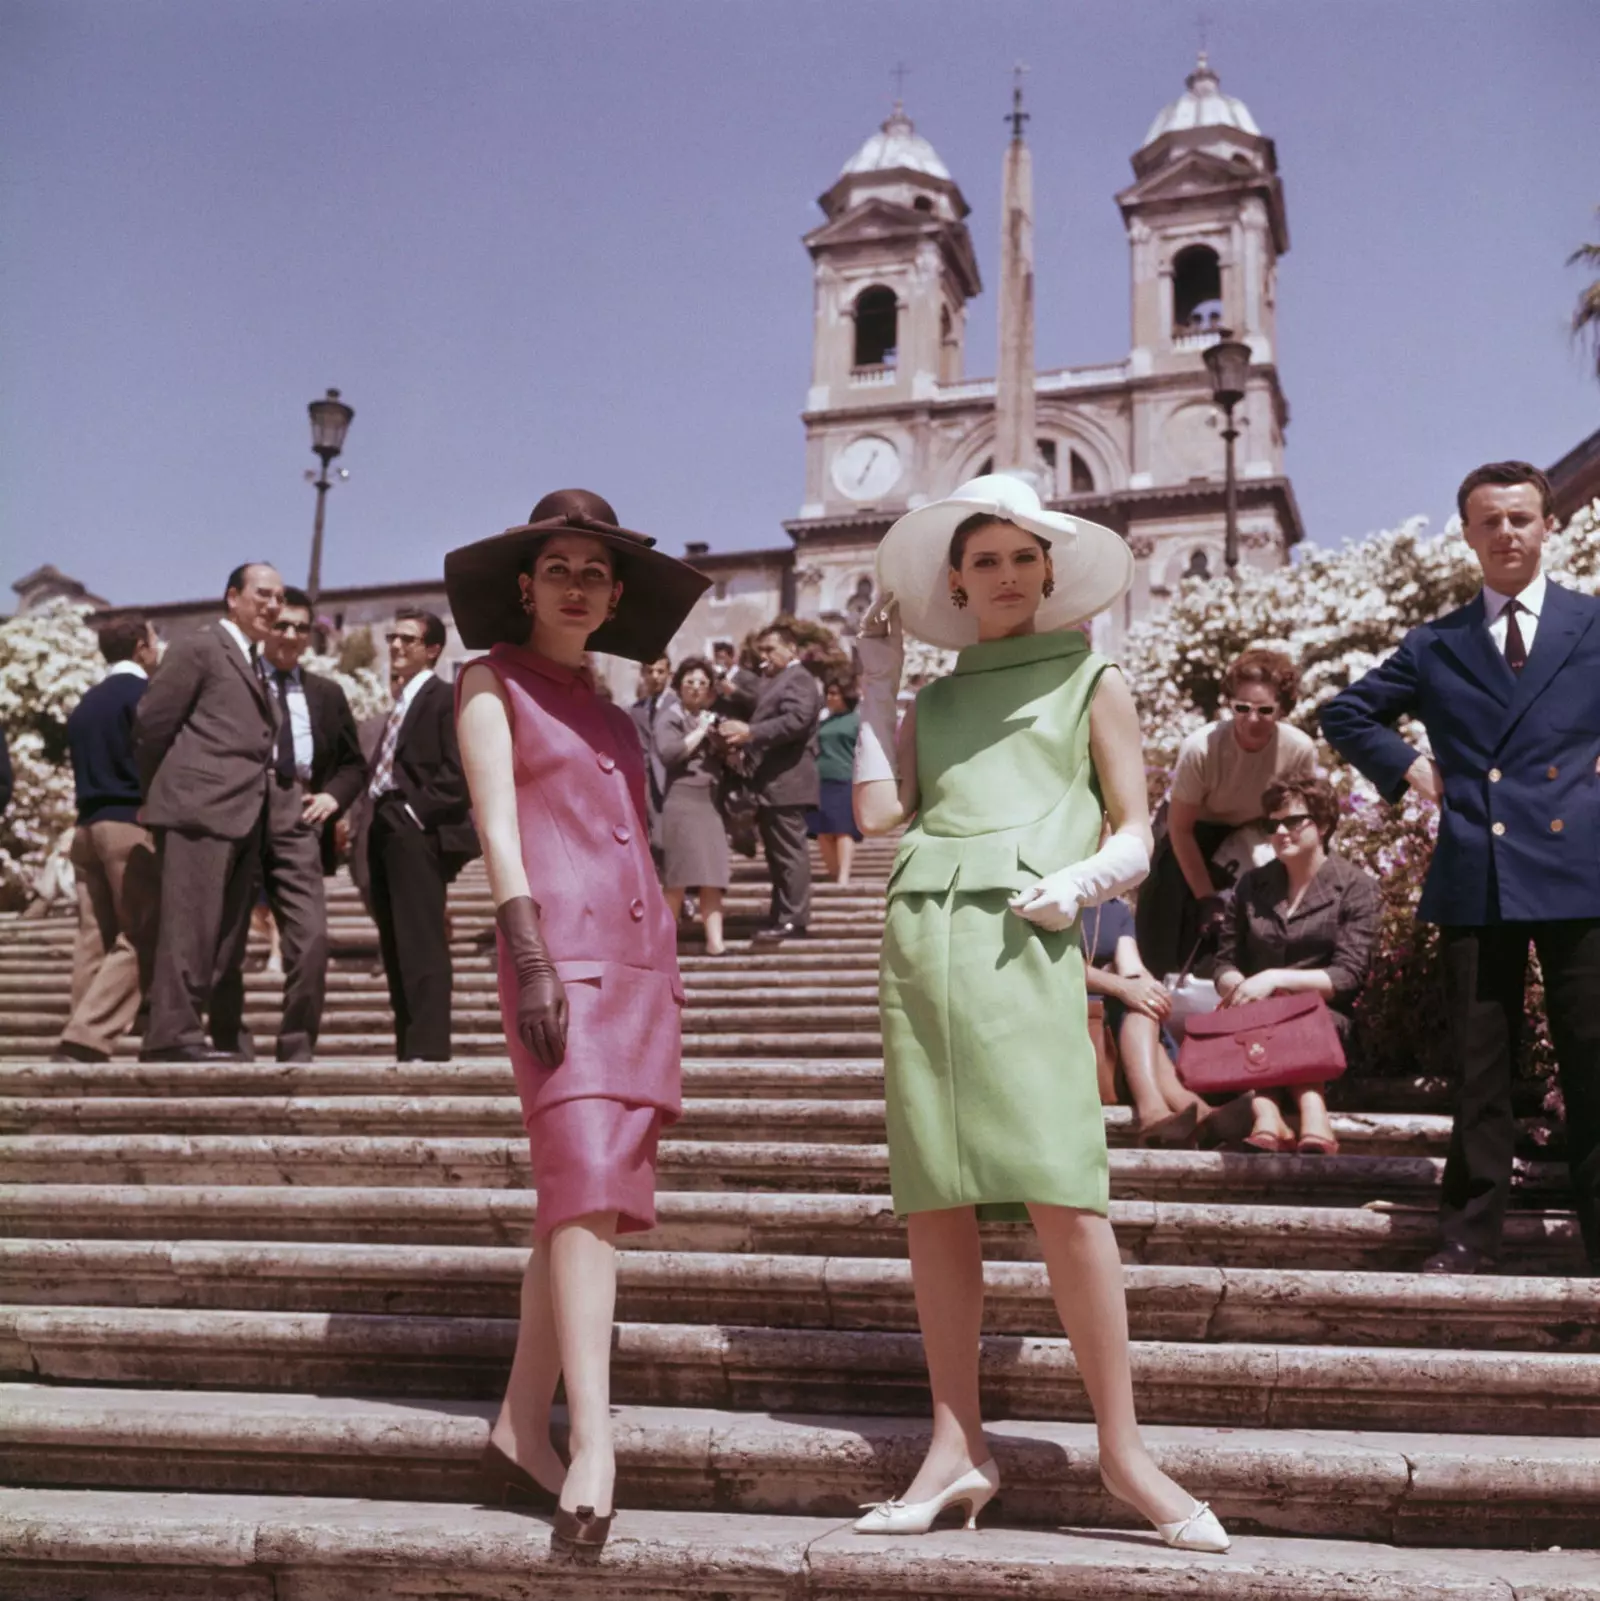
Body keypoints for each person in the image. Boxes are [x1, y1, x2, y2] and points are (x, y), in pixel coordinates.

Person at [852, 473, 1228, 1553]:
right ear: (957, 582)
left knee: (1066, 1192)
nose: (1006, 575)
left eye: (1023, 556)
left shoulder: (1091, 677)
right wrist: (875, 690)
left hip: (1029, 933)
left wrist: (1084, 882)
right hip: (924, 940)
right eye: (984, 560)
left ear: (1050, 570)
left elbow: (1135, 828)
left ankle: (1123, 1450)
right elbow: (880, 813)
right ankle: (954, 1442)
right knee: (934, 1198)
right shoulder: (939, 696)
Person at [446, 486, 709, 1552]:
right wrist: (531, 956)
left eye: (595, 571)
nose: (576, 583)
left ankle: (519, 1422)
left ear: (613, 595)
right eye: (557, 565)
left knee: (582, 1195)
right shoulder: (485, 679)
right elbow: (498, 830)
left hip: (641, 965)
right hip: (558, 960)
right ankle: (591, 1435)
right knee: (589, 1183)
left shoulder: (612, 706)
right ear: (524, 583)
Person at [1322, 459, 1600, 1277]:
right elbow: (1346, 711)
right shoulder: (1436, 642)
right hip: (1479, 872)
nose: (1507, 533)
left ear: (1548, 527)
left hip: (1582, 870)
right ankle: (1468, 1239)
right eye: (1490, 521)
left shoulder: (1592, 622)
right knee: (1480, 1071)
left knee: (1594, 1059)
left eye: (1521, 518)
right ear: (1469, 534)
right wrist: (1411, 768)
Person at [134, 562, 284, 1062]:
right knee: (189, 928)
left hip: (243, 812)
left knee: (223, 937)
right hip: (198, 810)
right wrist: (168, 792)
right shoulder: (200, 647)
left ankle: (197, 1032)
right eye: (262, 594)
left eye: (279, 598)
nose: (273, 605)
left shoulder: (255, 661)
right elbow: (153, 723)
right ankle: (170, 1035)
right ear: (232, 598)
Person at [214, 587, 366, 1062]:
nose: (291, 635)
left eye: (302, 627)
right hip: (237, 812)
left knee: (312, 938)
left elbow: (352, 764)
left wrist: (332, 797)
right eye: (282, 625)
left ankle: (297, 1044)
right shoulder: (235, 680)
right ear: (266, 628)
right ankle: (228, 1040)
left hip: (296, 814)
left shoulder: (326, 694)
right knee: (225, 939)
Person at [1212, 776, 1381, 1155]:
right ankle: (1310, 1116)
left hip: (1326, 1023)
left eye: (1293, 821)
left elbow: (1348, 976)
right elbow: (1223, 962)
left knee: (1287, 1009)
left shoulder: (1356, 887)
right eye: (1272, 825)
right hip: (1253, 1020)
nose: (1281, 832)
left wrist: (1274, 980)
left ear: (1322, 825)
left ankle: (1269, 1113)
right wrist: (1238, 984)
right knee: (1268, 1011)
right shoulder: (1251, 886)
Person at [1136, 649, 1316, 980]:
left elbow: (1300, 818)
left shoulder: (1298, 749)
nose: (1252, 719)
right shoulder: (1202, 747)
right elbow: (1181, 829)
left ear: (1283, 709)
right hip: (1188, 834)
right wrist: (1207, 897)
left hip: (1250, 834)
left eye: (1265, 710)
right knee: (1167, 934)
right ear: (1230, 704)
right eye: (1242, 708)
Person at [366, 607, 477, 1062]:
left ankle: (429, 1049)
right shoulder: (400, 702)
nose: (395, 646)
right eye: (393, 637)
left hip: (415, 827)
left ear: (432, 650)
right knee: (393, 942)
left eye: (407, 639)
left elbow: (459, 770)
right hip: (383, 824)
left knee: (421, 940)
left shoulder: (443, 696)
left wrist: (415, 811)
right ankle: (408, 1045)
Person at [53, 614, 162, 1063]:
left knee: (94, 936)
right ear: (140, 646)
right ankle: (88, 1035)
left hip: (85, 827)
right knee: (144, 931)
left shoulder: (86, 702)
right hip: (127, 823)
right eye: (155, 639)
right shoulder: (144, 697)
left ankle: (82, 1025)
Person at [718, 624, 823, 945]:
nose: (763, 657)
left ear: (790, 648)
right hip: (771, 781)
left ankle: (793, 919)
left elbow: (796, 720)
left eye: (769, 649)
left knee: (789, 852)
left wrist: (750, 733)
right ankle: (782, 916)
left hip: (787, 781)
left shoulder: (800, 678)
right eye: (761, 650)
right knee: (778, 855)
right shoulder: (775, 681)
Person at [656, 656, 730, 955]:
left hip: (708, 801)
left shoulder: (713, 718)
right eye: (690, 683)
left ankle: (717, 943)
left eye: (702, 683)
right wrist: (700, 732)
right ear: (679, 686)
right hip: (682, 801)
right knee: (678, 877)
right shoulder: (669, 717)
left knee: (712, 876)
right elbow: (669, 753)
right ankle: (663, 943)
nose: (696, 689)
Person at [807, 673, 863, 887]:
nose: (829, 697)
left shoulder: (856, 721)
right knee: (822, 832)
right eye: (828, 693)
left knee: (842, 829)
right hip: (820, 779)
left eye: (834, 694)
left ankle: (843, 876)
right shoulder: (824, 722)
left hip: (845, 779)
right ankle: (834, 872)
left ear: (845, 696)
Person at [628, 654, 676, 867]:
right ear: (642, 675)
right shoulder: (636, 710)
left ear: (669, 674)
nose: (655, 676)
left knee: (675, 840)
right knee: (655, 840)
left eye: (660, 671)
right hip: (648, 783)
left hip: (674, 781)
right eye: (650, 671)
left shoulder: (678, 705)